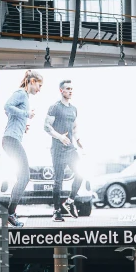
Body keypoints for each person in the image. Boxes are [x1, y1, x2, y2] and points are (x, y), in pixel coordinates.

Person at [2, 69, 43, 227]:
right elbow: (7, 106)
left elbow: (10, 112)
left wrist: (21, 125)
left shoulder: (24, 96)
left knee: (23, 177)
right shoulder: (20, 93)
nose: (40, 90)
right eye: (39, 85)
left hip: (12, 138)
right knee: (24, 177)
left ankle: (10, 213)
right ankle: (10, 213)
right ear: (32, 82)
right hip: (10, 140)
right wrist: (26, 114)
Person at [44, 79, 83, 222]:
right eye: (67, 88)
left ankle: (70, 201)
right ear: (61, 91)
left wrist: (78, 140)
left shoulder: (74, 109)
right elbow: (46, 127)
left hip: (71, 148)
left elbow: (74, 127)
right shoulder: (54, 107)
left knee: (81, 173)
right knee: (58, 181)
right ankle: (56, 211)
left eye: (72, 88)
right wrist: (60, 137)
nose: (70, 91)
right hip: (58, 149)